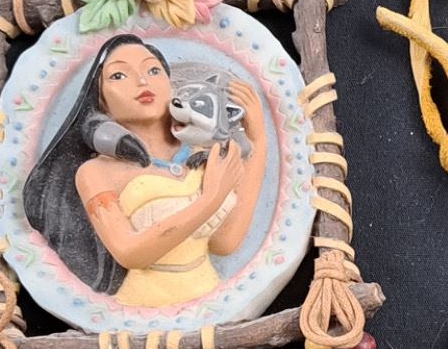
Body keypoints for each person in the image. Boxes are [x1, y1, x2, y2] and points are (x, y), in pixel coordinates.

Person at [23, 34, 269, 308]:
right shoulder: (96, 173)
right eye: (119, 76)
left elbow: (224, 243)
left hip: (210, 299)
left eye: (153, 70)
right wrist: (211, 198)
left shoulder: (204, 153)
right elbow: (129, 253)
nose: (142, 81)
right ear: (100, 100)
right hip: (142, 307)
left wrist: (258, 141)